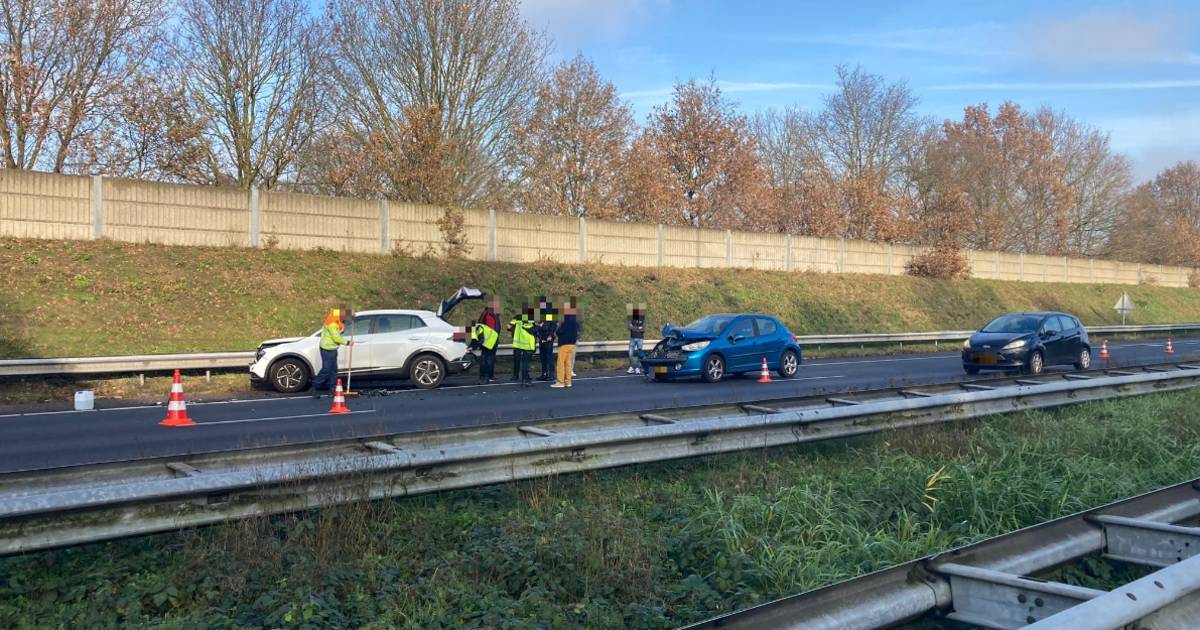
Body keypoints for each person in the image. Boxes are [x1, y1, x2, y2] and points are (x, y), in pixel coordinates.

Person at [312, 308, 349, 398]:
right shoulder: (333, 324)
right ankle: (315, 387)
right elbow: (336, 338)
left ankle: (332, 390)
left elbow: (345, 311)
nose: (346, 320)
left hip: (332, 349)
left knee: (333, 371)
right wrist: (347, 343)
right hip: (327, 349)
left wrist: (353, 314)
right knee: (326, 370)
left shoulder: (336, 314)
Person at [551, 306, 579, 388]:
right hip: (572, 344)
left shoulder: (566, 322)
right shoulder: (575, 322)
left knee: (560, 363)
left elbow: (560, 332)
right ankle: (568, 381)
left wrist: (557, 330)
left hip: (564, 344)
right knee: (568, 363)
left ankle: (560, 382)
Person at [510, 308, 536, 387]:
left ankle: (524, 378)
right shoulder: (528, 322)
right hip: (527, 344)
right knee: (526, 363)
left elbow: (510, 326)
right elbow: (533, 330)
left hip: (519, 344)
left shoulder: (518, 319)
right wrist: (538, 327)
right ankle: (525, 380)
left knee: (523, 362)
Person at [469, 319, 499, 384]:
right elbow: (474, 340)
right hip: (488, 341)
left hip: (492, 342)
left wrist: (473, 347)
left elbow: (481, 340)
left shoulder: (479, 329)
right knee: (484, 360)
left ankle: (486, 378)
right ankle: (483, 377)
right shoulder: (474, 330)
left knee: (487, 360)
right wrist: (469, 347)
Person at [535, 300, 558, 382]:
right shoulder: (541, 315)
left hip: (548, 339)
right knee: (543, 357)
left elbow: (553, 326)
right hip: (542, 338)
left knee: (549, 357)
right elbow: (539, 325)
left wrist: (550, 335)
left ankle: (551, 375)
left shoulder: (550, 314)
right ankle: (544, 374)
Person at [627, 307, 646, 374]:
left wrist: (634, 328)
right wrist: (638, 328)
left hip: (640, 338)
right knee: (630, 353)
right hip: (632, 338)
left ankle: (638, 367)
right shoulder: (631, 318)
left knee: (639, 354)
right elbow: (629, 327)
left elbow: (643, 329)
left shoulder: (642, 318)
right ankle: (631, 367)